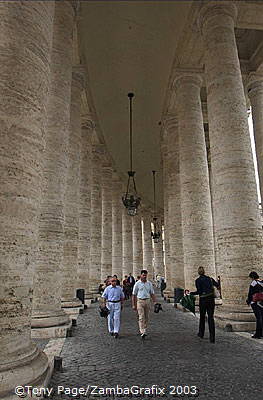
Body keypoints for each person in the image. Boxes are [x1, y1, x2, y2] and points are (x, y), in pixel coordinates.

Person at [190, 266, 219, 343]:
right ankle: (212, 337)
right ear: (204, 271)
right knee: (210, 318)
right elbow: (217, 285)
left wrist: (191, 293)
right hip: (211, 300)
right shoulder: (210, 279)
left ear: (198, 272)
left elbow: (199, 291)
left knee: (202, 317)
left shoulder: (198, 280)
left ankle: (201, 333)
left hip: (203, 300)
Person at [132, 269, 157, 339]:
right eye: (143, 275)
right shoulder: (137, 284)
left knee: (147, 316)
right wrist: (133, 304)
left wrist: (155, 302)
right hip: (140, 301)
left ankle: (145, 329)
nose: (144, 276)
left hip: (147, 301)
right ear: (141, 275)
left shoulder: (149, 283)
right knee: (141, 316)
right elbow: (134, 295)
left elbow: (152, 293)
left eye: (145, 275)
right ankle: (142, 331)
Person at [246, 271, 263, 339]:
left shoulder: (253, 283)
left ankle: (258, 334)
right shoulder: (261, 282)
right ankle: (261, 334)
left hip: (255, 302)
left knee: (258, 318)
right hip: (262, 302)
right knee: (262, 317)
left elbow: (250, 293)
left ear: (252, 277)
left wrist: (248, 301)